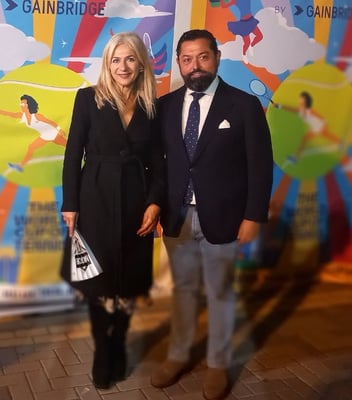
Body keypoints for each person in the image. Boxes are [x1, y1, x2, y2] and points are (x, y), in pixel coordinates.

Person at [150, 29, 273, 400]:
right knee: (183, 291)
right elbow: (158, 166)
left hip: (225, 217)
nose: (195, 66)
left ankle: (218, 363)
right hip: (177, 218)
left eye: (202, 57)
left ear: (217, 58)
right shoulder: (165, 107)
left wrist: (253, 216)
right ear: (179, 63)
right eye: (187, 59)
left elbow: (260, 165)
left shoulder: (244, 105)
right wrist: (155, 205)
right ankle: (178, 355)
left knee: (220, 292)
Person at [61, 32, 164, 389]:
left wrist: (155, 201)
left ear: (141, 64)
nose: (123, 66)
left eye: (130, 59)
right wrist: (70, 204)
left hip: (137, 197)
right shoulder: (88, 98)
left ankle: (119, 338)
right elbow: (73, 154)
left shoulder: (152, 105)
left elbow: (158, 161)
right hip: (95, 196)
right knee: (97, 280)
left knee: (129, 278)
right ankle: (103, 350)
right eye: (116, 60)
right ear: (107, 64)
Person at [0, 94, 67, 172]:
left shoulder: (37, 116)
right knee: (31, 147)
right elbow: (9, 114)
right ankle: (20, 166)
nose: (21, 106)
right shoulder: (22, 116)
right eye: (21, 104)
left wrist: (59, 129)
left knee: (68, 145)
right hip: (44, 137)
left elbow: (50, 122)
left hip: (55, 135)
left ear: (29, 105)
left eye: (23, 104)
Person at [276, 91, 343, 164]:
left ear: (305, 100)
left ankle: (295, 158)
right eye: (301, 98)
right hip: (316, 127)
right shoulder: (301, 109)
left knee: (308, 139)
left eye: (302, 98)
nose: (300, 99)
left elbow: (319, 117)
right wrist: (279, 106)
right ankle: (295, 158)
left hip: (319, 126)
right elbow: (290, 109)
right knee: (309, 138)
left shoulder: (307, 110)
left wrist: (324, 124)